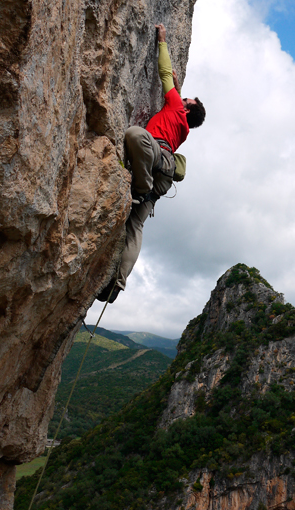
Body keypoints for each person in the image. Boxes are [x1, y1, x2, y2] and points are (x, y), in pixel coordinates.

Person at [99, 23, 206, 303]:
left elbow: (164, 73)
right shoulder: (182, 129)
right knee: (135, 226)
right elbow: (177, 94)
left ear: (185, 107)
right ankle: (117, 284)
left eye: (185, 99)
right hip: (164, 173)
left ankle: (141, 184)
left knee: (134, 135)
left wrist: (162, 40)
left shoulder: (174, 107)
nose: (180, 96)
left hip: (153, 161)